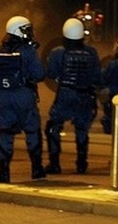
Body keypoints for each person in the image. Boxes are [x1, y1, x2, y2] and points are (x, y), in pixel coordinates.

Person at [0, 15, 47, 183]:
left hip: (4, 96)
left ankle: (3, 171)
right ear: (18, 31)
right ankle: (37, 168)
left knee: (5, 132)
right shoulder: (28, 51)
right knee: (32, 131)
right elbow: (39, 74)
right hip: (24, 95)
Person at [44, 17, 102, 174]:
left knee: (53, 126)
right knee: (82, 129)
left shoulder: (58, 53)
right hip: (86, 95)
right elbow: (97, 76)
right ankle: (82, 163)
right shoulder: (92, 52)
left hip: (66, 94)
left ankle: (54, 163)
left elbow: (51, 73)